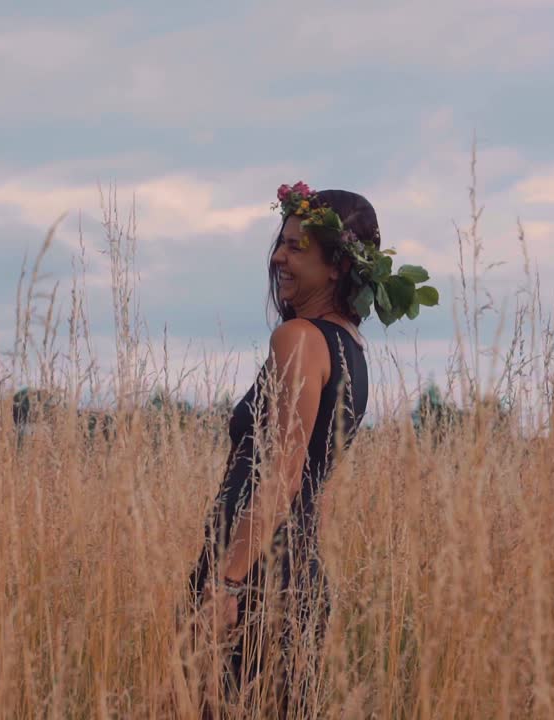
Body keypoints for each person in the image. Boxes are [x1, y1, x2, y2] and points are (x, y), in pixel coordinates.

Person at [182, 183, 381, 717]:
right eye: (281, 243)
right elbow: (319, 487)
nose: (278, 257)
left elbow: (282, 476)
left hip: (254, 579)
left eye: (296, 247)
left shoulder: (297, 338)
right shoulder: (353, 350)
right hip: (298, 575)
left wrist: (226, 584)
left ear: (337, 266)